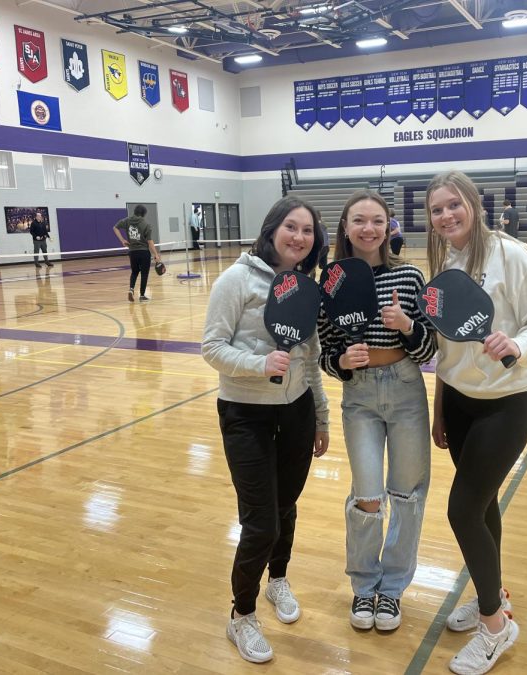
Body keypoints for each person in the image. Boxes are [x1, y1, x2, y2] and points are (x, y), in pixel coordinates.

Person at [425, 171, 527, 675]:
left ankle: (495, 628)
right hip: (459, 405)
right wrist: (440, 411)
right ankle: (493, 592)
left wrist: (518, 345)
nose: (446, 216)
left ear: (474, 205)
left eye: (453, 205)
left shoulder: (511, 254)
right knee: (484, 507)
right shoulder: (444, 261)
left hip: (506, 403)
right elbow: (444, 348)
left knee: (462, 511)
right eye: (437, 210)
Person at [202, 196, 330, 664]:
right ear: (273, 228)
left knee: (286, 506)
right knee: (261, 522)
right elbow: (212, 347)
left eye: (308, 231)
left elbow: (312, 360)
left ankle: (278, 579)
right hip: (245, 414)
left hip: (295, 411)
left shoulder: (305, 286)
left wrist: (320, 417)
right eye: (291, 227)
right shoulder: (236, 279)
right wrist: (260, 364)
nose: (299, 237)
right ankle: (241, 615)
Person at [317, 190, 437, 632]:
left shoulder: (408, 277)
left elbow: (429, 347)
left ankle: (392, 590)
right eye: (359, 221)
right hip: (360, 399)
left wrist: (406, 326)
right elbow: (325, 351)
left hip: (406, 390)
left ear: (389, 228)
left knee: (406, 496)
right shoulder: (330, 281)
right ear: (345, 228)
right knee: (367, 497)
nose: (369, 229)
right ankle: (364, 586)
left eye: (378, 221)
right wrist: (342, 363)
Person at [113, 205, 162, 302]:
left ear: (135, 212)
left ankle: (131, 290)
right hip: (144, 252)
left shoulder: (127, 221)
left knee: (134, 272)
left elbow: (115, 227)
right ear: (144, 214)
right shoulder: (146, 224)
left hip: (132, 252)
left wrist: (122, 240)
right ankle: (142, 295)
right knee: (144, 274)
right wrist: (156, 254)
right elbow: (149, 241)